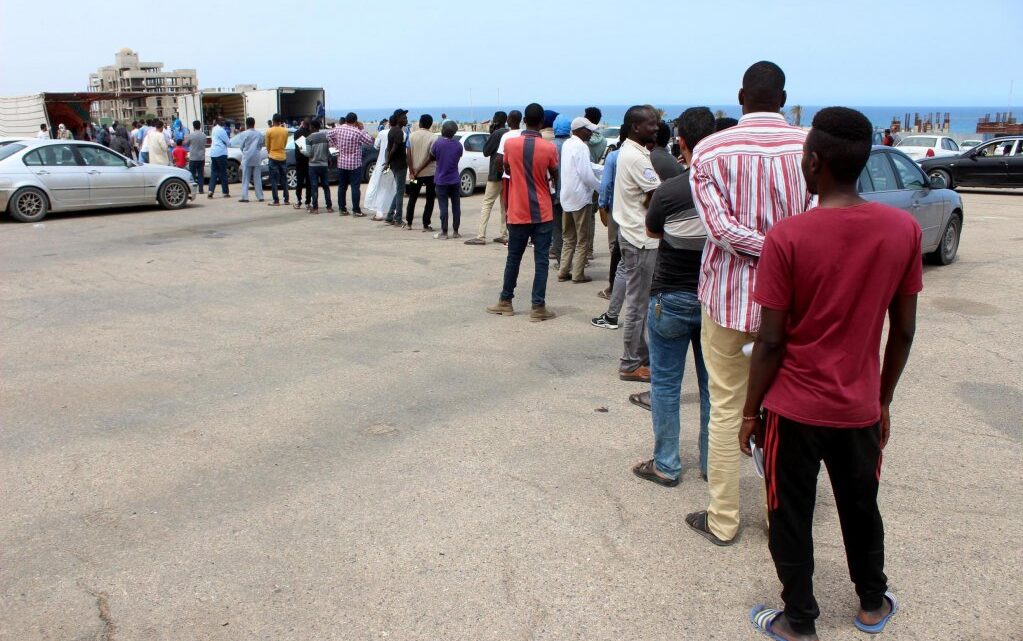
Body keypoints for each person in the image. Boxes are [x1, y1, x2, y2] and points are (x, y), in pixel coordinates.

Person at [743, 107, 920, 641]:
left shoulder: (788, 237)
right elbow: (904, 330)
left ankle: (799, 620)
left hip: (793, 408)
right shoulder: (902, 230)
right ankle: (870, 603)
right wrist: (883, 398)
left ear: (814, 161)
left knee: (789, 513)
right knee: (861, 504)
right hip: (859, 405)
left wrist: (750, 412)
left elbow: (771, 340)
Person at [684, 61, 814, 547]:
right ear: (783, 97)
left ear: (741, 97)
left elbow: (718, 230)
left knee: (725, 407)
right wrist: (786, 248)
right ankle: (779, 512)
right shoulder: (809, 148)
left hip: (728, 300)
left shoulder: (710, 150)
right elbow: (819, 222)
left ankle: (723, 519)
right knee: (788, 412)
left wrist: (766, 244)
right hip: (795, 305)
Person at [630, 107, 717, 488]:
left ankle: (666, 464)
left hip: (670, 295)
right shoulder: (724, 189)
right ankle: (713, 464)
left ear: (680, 141)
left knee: (665, 384)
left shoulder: (670, 190)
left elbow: (653, 234)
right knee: (713, 386)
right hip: (714, 298)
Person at [485, 103, 559, 322]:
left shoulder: (510, 144)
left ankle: (505, 301)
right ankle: (538, 307)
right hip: (542, 212)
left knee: (513, 258)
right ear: (542, 123)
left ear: (525, 120)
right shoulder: (549, 148)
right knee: (542, 260)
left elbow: (503, 167)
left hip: (517, 211)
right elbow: (555, 174)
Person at [613, 105, 662, 383]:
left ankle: (640, 357)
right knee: (638, 303)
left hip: (634, 235)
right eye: (651, 124)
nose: (655, 128)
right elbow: (657, 196)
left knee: (640, 301)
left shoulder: (632, 152)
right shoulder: (636, 158)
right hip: (640, 240)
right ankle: (630, 363)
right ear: (635, 127)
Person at [558, 117, 602, 283]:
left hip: (567, 197)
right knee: (582, 239)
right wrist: (600, 188)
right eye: (588, 130)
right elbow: (586, 174)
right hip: (580, 198)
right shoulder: (582, 147)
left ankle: (563, 271)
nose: (590, 134)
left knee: (568, 238)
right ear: (580, 130)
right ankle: (578, 274)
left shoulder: (567, 144)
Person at [464, 111, 508, 245]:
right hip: (507, 175)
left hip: (495, 174)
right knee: (504, 205)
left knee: (487, 203)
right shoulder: (509, 133)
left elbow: (486, 151)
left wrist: (491, 134)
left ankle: (481, 235)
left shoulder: (496, 134)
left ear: (496, 121)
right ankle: (504, 234)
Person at [327, 112, 374, 216]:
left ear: (346, 119)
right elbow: (370, 141)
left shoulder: (338, 129)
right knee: (355, 187)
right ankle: (356, 210)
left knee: (342, 186)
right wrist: (362, 129)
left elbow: (328, 135)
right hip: (354, 164)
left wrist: (335, 146)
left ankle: (342, 209)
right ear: (355, 121)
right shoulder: (357, 132)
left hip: (341, 162)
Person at [491, 109, 524, 245]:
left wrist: (503, 170)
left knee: (509, 207)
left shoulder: (507, 135)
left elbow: (499, 158)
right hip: (522, 175)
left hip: (508, 177)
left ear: (510, 121)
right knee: (522, 205)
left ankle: (511, 237)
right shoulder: (523, 134)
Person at [429, 120, 464, 239]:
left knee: (443, 207)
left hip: (441, 179)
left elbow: (432, 156)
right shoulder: (458, 145)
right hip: (454, 179)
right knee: (456, 206)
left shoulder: (438, 144)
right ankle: (456, 231)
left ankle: (444, 232)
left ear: (443, 130)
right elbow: (457, 158)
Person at [405, 114, 437, 230]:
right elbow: (431, 157)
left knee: (412, 197)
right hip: (430, 173)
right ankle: (426, 224)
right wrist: (419, 169)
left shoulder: (411, 136)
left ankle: (409, 223)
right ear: (430, 124)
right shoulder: (434, 138)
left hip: (414, 174)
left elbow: (408, 154)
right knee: (430, 198)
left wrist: (412, 170)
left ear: (420, 123)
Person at [549, 114, 573, 262]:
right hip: (571, 194)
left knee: (556, 229)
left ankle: (560, 260)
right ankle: (571, 261)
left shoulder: (550, 146)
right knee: (571, 231)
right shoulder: (573, 145)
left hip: (554, 193)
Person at [365, 117, 397, 219]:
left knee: (380, 187)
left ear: (389, 123)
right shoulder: (402, 134)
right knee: (393, 188)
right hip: (395, 165)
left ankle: (379, 212)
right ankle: (394, 211)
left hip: (382, 163)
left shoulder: (382, 133)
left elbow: (376, 146)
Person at [383, 109, 409, 225]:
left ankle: (389, 215)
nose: (406, 119)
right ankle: (398, 218)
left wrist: (388, 162)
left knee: (399, 190)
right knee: (400, 192)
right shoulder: (398, 132)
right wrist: (387, 162)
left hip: (394, 164)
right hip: (400, 165)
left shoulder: (391, 131)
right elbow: (393, 149)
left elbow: (388, 148)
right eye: (404, 117)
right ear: (398, 118)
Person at [305, 118, 333, 214]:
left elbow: (308, 154)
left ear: (312, 127)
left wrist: (301, 150)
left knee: (314, 186)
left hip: (313, 165)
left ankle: (315, 208)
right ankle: (329, 207)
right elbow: (329, 151)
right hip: (324, 165)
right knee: (326, 186)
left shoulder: (309, 138)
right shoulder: (325, 137)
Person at [236, 117, 264, 203]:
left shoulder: (244, 134)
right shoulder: (259, 134)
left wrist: (246, 152)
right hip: (256, 157)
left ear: (247, 124)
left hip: (247, 158)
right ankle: (260, 197)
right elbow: (260, 145)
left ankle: (245, 197)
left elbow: (241, 146)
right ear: (254, 124)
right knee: (257, 178)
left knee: (245, 178)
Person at [265, 113, 290, 206]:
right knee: (284, 179)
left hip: (273, 156)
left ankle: (276, 200)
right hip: (282, 156)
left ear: (273, 121)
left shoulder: (269, 131)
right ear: (280, 121)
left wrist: (270, 152)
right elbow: (285, 143)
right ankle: (286, 199)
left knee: (274, 180)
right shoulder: (285, 131)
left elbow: (267, 145)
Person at [208, 117, 231, 199]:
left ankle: (210, 190)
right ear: (217, 121)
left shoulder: (214, 129)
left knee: (214, 172)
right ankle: (225, 192)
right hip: (221, 153)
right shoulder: (222, 130)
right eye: (221, 120)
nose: (223, 121)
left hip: (213, 153)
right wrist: (226, 142)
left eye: (223, 120)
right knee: (223, 173)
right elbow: (228, 143)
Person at [292, 119, 311, 209]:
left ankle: (298, 201)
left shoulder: (297, 133)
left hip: (300, 161)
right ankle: (308, 202)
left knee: (299, 182)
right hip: (309, 161)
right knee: (309, 183)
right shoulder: (311, 133)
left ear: (302, 124)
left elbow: (300, 147)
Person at [184, 121, 207, 194]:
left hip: (193, 157)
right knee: (201, 174)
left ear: (193, 126)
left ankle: (193, 190)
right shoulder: (204, 135)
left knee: (192, 174)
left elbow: (186, 144)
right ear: (200, 126)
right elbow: (204, 144)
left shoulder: (191, 135)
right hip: (201, 157)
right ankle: (201, 190)